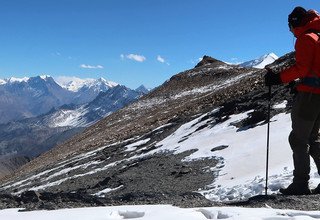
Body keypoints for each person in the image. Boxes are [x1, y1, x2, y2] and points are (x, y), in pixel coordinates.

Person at [265, 6, 320, 195]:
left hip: (309, 96)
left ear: (295, 23)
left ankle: (300, 184)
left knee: (298, 139)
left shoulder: (306, 38)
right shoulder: (317, 35)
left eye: (290, 26)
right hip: (317, 94)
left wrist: (278, 78)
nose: (290, 31)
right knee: (313, 139)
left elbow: (302, 68)